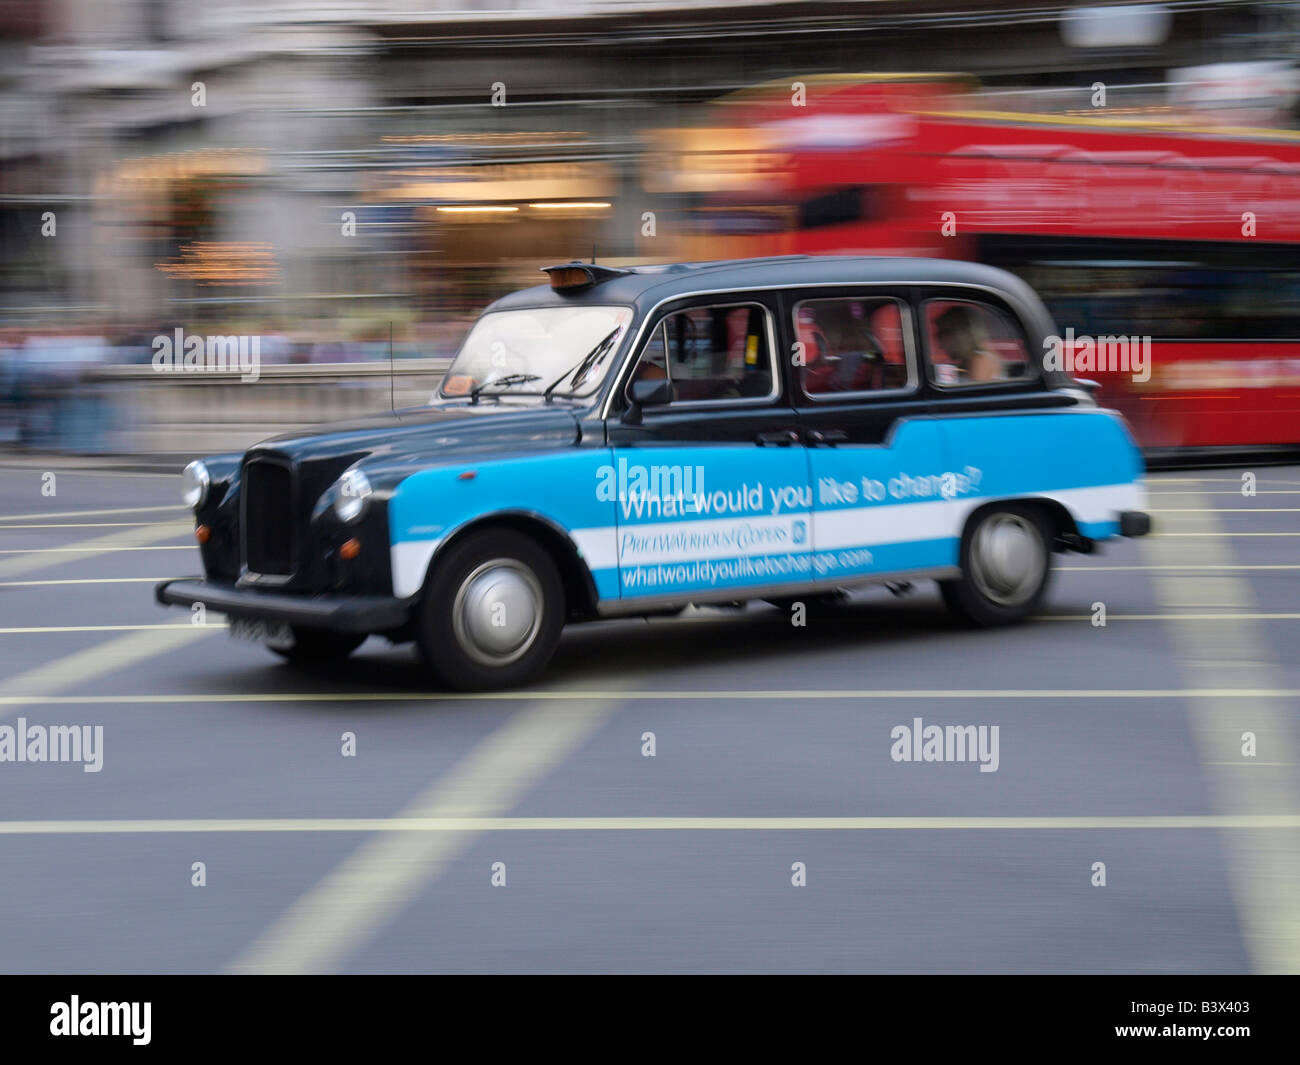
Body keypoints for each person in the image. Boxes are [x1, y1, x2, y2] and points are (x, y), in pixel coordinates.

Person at [934, 305, 1002, 383]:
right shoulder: (972, 360)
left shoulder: (979, 360)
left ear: (958, 336)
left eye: (942, 335)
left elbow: (976, 393)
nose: (941, 346)